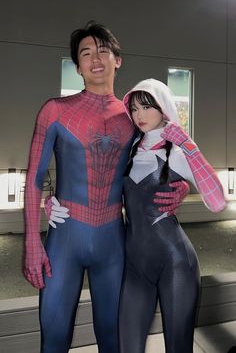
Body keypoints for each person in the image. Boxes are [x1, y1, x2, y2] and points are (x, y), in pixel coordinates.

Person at [23, 22, 189, 353]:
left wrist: (181, 186)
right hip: (64, 240)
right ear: (77, 66)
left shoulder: (136, 117)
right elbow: (33, 177)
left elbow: (169, 156)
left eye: (103, 50)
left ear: (118, 60)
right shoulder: (54, 111)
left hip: (115, 241)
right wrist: (31, 241)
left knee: (114, 340)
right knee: (53, 339)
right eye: (86, 53)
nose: (95, 58)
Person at [118, 78, 226, 353]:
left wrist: (188, 145)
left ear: (163, 108)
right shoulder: (128, 149)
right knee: (128, 346)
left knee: (178, 348)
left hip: (176, 264)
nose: (139, 115)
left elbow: (216, 202)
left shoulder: (177, 153)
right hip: (135, 265)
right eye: (134, 108)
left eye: (147, 107)